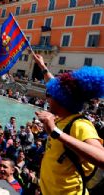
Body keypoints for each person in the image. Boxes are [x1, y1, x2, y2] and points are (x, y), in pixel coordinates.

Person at [33, 53, 104, 195]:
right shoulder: (61, 116)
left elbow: (102, 157)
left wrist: (55, 132)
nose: (47, 99)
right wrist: (42, 65)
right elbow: (53, 84)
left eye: (49, 95)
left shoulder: (80, 125)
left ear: (61, 101)